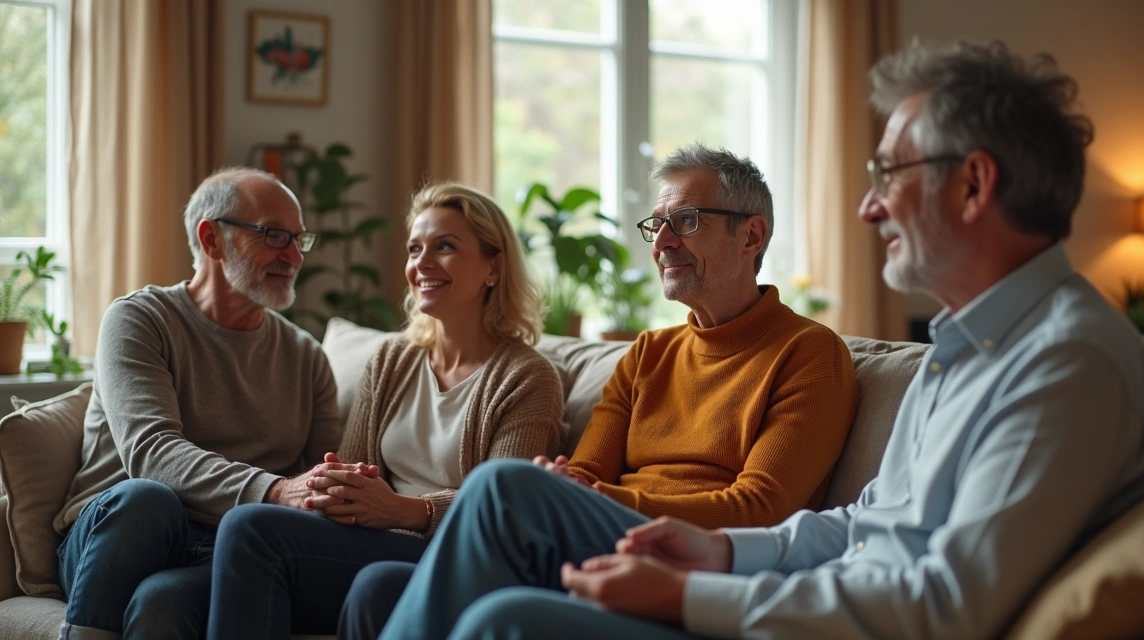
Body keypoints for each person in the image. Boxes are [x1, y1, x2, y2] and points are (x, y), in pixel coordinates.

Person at [374, 40, 1144, 640]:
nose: (868, 208)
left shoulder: (1067, 363)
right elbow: (866, 524)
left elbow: (944, 606)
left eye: (889, 174)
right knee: (457, 561)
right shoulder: (962, 350)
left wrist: (692, 595)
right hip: (797, 589)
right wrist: (719, 556)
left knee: (503, 587)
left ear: (972, 184)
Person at [349, 143, 860, 639]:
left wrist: (587, 496)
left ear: (751, 236)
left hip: (696, 564)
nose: (661, 243)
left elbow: (761, 510)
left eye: (685, 221)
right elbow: (586, 472)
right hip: (609, 538)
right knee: (379, 589)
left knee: (503, 486)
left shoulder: (810, 353)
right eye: (656, 225)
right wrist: (575, 489)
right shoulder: (647, 354)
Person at [204, 182, 566, 639]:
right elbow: (358, 467)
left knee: (269, 536)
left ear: (493, 267)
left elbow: (503, 508)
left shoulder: (528, 377)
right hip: (374, 542)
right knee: (239, 537)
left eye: (446, 247)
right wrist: (338, 486)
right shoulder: (391, 359)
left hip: (459, 554)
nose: (422, 264)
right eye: (415, 249)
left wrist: (406, 510)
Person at [52, 168, 344, 640]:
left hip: (226, 544)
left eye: (298, 239)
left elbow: (321, 470)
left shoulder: (306, 356)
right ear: (212, 239)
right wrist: (274, 491)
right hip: (117, 534)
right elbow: (151, 453)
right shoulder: (141, 319)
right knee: (149, 499)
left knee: (161, 603)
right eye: (273, 235)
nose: (292, 256)